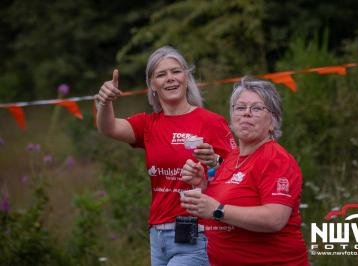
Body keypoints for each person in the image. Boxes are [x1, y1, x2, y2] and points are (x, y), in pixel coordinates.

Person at [95, 46, 236, 266]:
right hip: (157, 235)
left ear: (186, 77)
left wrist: (216, 162)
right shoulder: (148, 124)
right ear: (152, 85)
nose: (170, 78)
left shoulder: (210, 122)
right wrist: (104, 102)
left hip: (196, 232)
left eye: (176, 71)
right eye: (161, 74)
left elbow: (240, 169)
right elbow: (109, 128)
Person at [180, 77, 309, 265]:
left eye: (256, 108)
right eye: (240, 108)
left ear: (273, 121)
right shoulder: (231, 158)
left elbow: (274, 219)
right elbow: (224, 202)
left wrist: (217, 210)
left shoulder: (275, 158)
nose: (246, 114)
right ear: (232, 118)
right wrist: (202, 185)